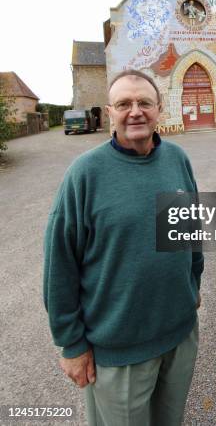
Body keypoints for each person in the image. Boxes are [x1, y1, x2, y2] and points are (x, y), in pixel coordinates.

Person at [44, 69, 203, 426]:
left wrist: (193, 284)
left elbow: (189, 230)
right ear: (109, 112)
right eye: (124, 104)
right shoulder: (85, 173)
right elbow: (60, 264)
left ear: (160, 109)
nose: (135, 111)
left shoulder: (177, 159)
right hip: (118, 352)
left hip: (179, 336)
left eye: (144, 102)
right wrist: (71, 344)